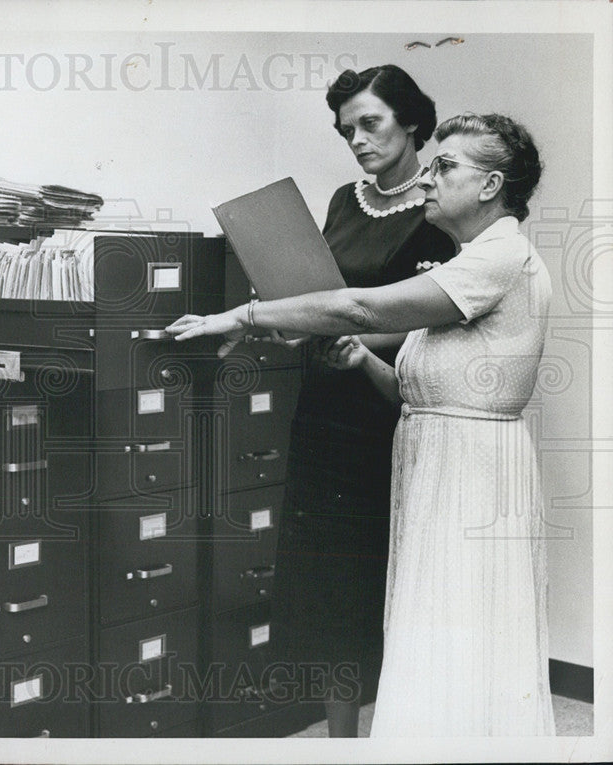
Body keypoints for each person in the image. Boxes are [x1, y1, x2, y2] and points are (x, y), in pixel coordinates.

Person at [167, 113, 556, 736]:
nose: (428, 180)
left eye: (446, 167)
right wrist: (359, 356)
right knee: (431, 627)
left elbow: (359, 304)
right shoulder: (473, 260)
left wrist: (242, 317)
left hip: (471, 474)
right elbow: (417, 388)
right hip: (441, 465)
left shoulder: (498, 257)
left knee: (459, 628)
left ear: (490, 186)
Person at [273, 64, 456, 737]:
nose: (356, 139)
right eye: (347, 128)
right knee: (328, 586)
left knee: (382, 579)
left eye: (370, 123)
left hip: (389, 407)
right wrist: (299, 322)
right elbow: (323, 293)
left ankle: (404, 733)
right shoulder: (345, 203)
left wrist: (359, 339)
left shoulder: (441, 208)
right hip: (323, 407)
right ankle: (342, 739)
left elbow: (444, 316)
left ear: (411, 121)